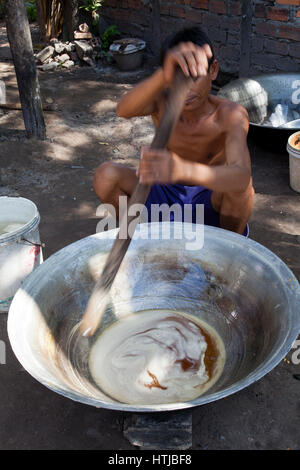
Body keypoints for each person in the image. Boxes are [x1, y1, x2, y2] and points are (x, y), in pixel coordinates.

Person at [93, 26, 254, 236]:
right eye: (177, 78)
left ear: (213, 70)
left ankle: (227, 249)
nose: (186, 89)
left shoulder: (230, 115)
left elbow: (241, 176)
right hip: (164, 192)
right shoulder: (163, 103)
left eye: (193, 77)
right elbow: (123, 110)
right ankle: (146, 238)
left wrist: (184, 170)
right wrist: (162, 75)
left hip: (208, 199)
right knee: (105, 176)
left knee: (241, 188)